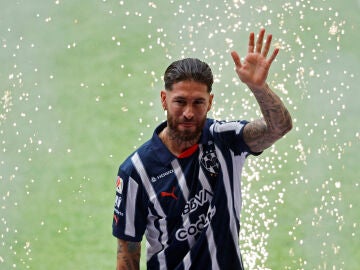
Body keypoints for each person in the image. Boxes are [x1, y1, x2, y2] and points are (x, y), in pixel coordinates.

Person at [112, 28, 292, 270]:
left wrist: (259, 87)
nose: (188, 112)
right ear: (164, 100)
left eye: (198, 102)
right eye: (180, 102)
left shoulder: (225, 140)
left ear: (210, 102)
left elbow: (278, 127)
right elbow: (128, 249)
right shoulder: (136, 171)